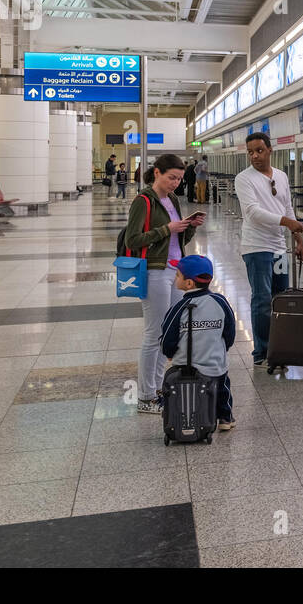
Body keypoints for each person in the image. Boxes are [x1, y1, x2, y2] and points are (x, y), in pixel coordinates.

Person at [123, 153, 206, 414]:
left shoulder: (172, 199)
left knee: (168, 332)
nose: (175, 183)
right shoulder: (143, 201)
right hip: (154, 271)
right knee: (154, 333)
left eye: (180, 179)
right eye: (172, 177)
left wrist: (189, 226)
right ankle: (145, 396)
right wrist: (166, 229)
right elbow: (133, 240)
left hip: (174, 270)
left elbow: (177, 239)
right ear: (157, 172)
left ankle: (158, 388)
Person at [234, 133, 303, 368]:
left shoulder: (282, 176)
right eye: (250, 152)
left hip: (279, 248)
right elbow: (252, 212)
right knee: (262, 299)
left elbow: (287, 207)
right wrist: (286, 222)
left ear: (270, 150)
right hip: (256, 249)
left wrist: (298, 239)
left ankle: (280, 346)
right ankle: (262, 352)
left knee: (281, 298)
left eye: (259, 151)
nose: (254, 156)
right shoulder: (244, 179)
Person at [159, 254, 237, 431]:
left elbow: (167, 337)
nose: (175, 278)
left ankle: (187, 415)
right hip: (214, 363)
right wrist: (223, 348)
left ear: (189, 284)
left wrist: (170, 353)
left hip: (184, 368)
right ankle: (225, 418)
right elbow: (230, 331)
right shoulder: (220, 301)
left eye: (178, 275)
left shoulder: (178, 308)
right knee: (223, 388)